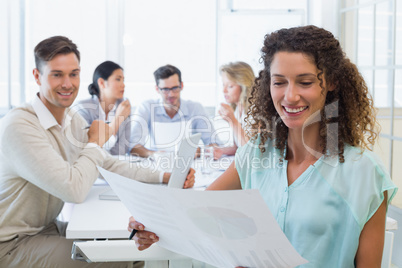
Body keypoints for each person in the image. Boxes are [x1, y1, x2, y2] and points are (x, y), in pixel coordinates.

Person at [127, 25, 398, 267]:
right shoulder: (256, 154)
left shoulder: (364, 173)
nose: (290, 96)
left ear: (332, 83)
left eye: (305, 82)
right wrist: (149, 223)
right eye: (279, 82)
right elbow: (194, 212)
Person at [0, 36, 194, 268]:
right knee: (117, 260)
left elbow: (107, 164)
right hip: (12, 244)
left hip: (48, 228)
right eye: (56, 74)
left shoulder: (70, 118)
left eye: (73, 74)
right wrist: (95, 142)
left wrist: (165, 176)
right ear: (36, 76)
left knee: (131, 249)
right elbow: (73, 189)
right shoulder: (20, 126)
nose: (67, 83)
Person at [129, 64, 220, 158]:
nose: (171, 94)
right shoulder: (147, 107)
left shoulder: (195, 108)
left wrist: (200, 151)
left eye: (175, 88)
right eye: (165, 89)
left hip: (188, 166)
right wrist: (154, 154)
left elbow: (215, 144)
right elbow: (133, 146)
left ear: (182, 85)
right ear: (157, 89)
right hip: (156, 166)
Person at [75, 61, 132, 155]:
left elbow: (121, 151)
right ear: (102, 83)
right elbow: (88, 148)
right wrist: (117, 120)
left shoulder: (124, 107)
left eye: (123, 80)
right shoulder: (82, 109)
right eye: (118, 79)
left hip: (113, 166)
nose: (123, 85)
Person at [213, 61, 255, 159]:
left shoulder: (255, 111)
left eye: (230, 86)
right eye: (223, 85)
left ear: (243, 87)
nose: (224, 91)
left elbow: (249, 150)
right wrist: (220, 150)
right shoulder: (237, 109)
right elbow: (238, 147)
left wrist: (233, 121)